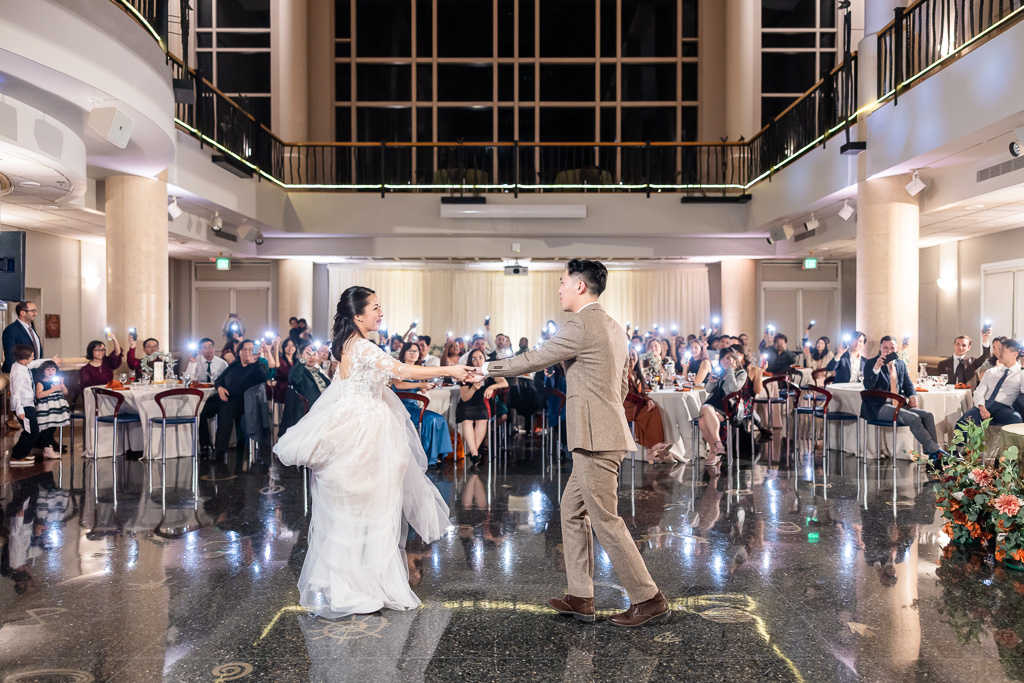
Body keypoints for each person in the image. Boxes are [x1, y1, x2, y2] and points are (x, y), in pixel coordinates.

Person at [477, 259, 667, 627]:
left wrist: (486, 369)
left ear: (580, 286)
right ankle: (581, 595)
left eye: (563, 282)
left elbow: (535, 358)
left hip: (596, 437)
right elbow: (623, 385)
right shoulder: (613, 325)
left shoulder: (580, 323)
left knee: (606, 520)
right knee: (570, 509)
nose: (559, 288)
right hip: (604, 430)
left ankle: (649, 598)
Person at [273, 285, 471, 617]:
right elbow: (402, 371)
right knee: (369, 507)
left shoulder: (351, 345)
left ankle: (360, 583)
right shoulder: (362, 346)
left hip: (362, 426)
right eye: (375, 307)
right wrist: (449, 369)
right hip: (365, 434)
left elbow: (388, 380)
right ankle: (356, 586)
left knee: (362, 508)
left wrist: (438, 380)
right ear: (358, 315)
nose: (381, 313)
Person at [862, 336, 944, 462]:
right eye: (885, 348)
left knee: (928, 415)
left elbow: (907, 384)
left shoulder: (900, 363)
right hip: (878, 407)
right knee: (913, 418)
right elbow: (868, 385)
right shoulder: (871, 363)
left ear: (897, 349)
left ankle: (933, 454)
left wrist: (912, 395)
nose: (889, 351)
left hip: (898, 405)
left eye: (892, 348)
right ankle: (937, 452)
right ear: (880, 347)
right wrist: (877, 367)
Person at [198, 340, 270, 459]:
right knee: (201, 411)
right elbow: (219, 379)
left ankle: (220, 451)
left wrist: (254, 362)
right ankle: (205, 446)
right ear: (239, 352)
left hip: (242, 401)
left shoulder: (257, 367)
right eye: (245, 349)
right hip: (223, 396)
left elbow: (263, 377)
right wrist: (220, 388)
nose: (248, 352)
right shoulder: (234, 365)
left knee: (225, 412)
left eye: (251, 350)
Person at [393, 341, 453, 467]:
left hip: (414, 406)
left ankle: (435, 455)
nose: (413, 353)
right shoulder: (398, 367)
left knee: (439, 419)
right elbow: (399, 385)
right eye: (410, 351)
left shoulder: (418, 370)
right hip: (401, 407)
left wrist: (425, 387)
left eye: (415, 351)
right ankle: (428, 456)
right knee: (431, 419)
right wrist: (420, 384)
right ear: (403, 354)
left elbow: (418, 389)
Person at [697, 347, 750, 466]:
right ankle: (717, 448)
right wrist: (712, 381)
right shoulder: (719, 372)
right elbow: (708, 389)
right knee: (703, 419)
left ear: (734, 359)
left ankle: (715, 448)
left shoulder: (741, 373)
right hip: (714, 404)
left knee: (704, 414)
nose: (724, 361)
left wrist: (730, 370)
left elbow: (733, 389)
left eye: (728, 358)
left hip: (727, 406)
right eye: (722, 358)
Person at [9, 345, 59, 465]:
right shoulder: (18, 373)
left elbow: (34, 364)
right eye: (32, 356)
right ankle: (16, 456)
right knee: (32, 432)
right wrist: (20, 410)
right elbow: (16, 393)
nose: (33, 358)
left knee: (30, 430)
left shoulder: (21, 365)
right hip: (24, 406)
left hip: (28, 404)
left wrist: (50, 361)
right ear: (24, 360)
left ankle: (18, 453)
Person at [457, 349, 508, 466]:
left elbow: (504, 383)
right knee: (467, 421)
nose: (478, 361)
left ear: (485, 358)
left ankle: (473, 453)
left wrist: (492, 387)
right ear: (470, 361)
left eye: (480, 357)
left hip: (481, 404)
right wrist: (474, 387)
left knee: (482, 419)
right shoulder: (466, 374)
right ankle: (474, 453)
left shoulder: (488, 372)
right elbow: (464, 398)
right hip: (466, 405)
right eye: (474, 359)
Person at [956, 339, 1023, 428]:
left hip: (1004, 408)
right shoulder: (991, 372)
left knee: (1016, 419)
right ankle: (960, 442)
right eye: (999, 350)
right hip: (984, 405)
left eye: (1003, 350)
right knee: (961, 424)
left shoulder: (1021, 373)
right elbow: (979, 392)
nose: (999, 353)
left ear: (1015, 353)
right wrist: (981, 407)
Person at [623, 347, 671, 463]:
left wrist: (649, 400)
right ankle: (653, 448)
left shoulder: (637, 373)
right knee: (648, 413)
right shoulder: (623, 373)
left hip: (638, 404)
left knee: (654, 408)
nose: (631, 358)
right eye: (629, 355)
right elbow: (624, 393)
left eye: (634, 355)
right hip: (627, 406)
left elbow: (642, 393)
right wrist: (642, 400)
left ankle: (652, 450)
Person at [279, 343, 333, 437]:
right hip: (309, 414)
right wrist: (303, 360)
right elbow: (294, 379)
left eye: (314, 354)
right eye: (308, 354)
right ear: (301, 356)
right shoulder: (299, 370)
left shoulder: (319, 372)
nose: (311, 357)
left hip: (325, 411)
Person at [33, 361, 70, 460]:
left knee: (53, 428)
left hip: (56, 409)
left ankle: (49, 447)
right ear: (43, 371)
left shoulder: (57, 383)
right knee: (46, 428)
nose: (51, 371)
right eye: (48, 369)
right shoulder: (41, 382)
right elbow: (39, 395)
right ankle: (46, 448)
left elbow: (66, 392)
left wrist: (62, 385)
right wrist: (53, 389)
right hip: (46, 409)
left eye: (53, 369)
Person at [2, 301, 44, 374]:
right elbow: (10, 356)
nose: (36, 314)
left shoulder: (31, 328)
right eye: (33, 311)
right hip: (20, 375)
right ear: (23, 313)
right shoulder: (11, 330)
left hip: (34, 374)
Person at [271, 338, 299, 406]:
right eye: (288, 345)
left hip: (295, 390)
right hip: (282, 389)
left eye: (292, 346)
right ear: (284, 347)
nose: (290, 348)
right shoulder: (281, 360)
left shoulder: (297, 361)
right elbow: (277, 365)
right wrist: (276, 347)